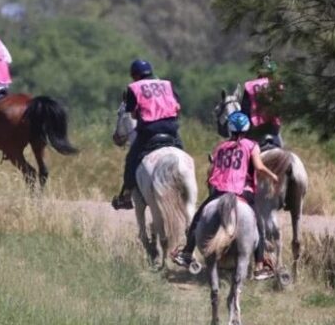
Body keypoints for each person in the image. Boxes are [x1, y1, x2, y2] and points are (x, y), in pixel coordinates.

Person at [172, 111, 279, 280]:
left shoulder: (220, 147)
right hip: (243, 191)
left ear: (229, 129)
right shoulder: (252, 145)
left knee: (198, 218)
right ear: (247, 128)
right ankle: (259, 265)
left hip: (220, 190)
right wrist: (272, 176)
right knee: (259, 224)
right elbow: (258, 167)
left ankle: (186, 252)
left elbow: (211, 171)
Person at [112, 59, 182, 210]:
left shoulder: (134, 87)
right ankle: (183, 190)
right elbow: (178, 106)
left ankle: (126, 195)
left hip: (149, 130)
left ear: (134, 75)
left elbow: (133, 114)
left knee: (131, 159)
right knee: (181, 155)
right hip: (171, 128)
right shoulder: (167, 84)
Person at [241, 55, 283, 147]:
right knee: (282, 147)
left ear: (259, 72)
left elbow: (244, 110)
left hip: (254, 127)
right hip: (273, 127)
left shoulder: (250, 86)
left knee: (242, 149)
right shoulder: (278, 86)